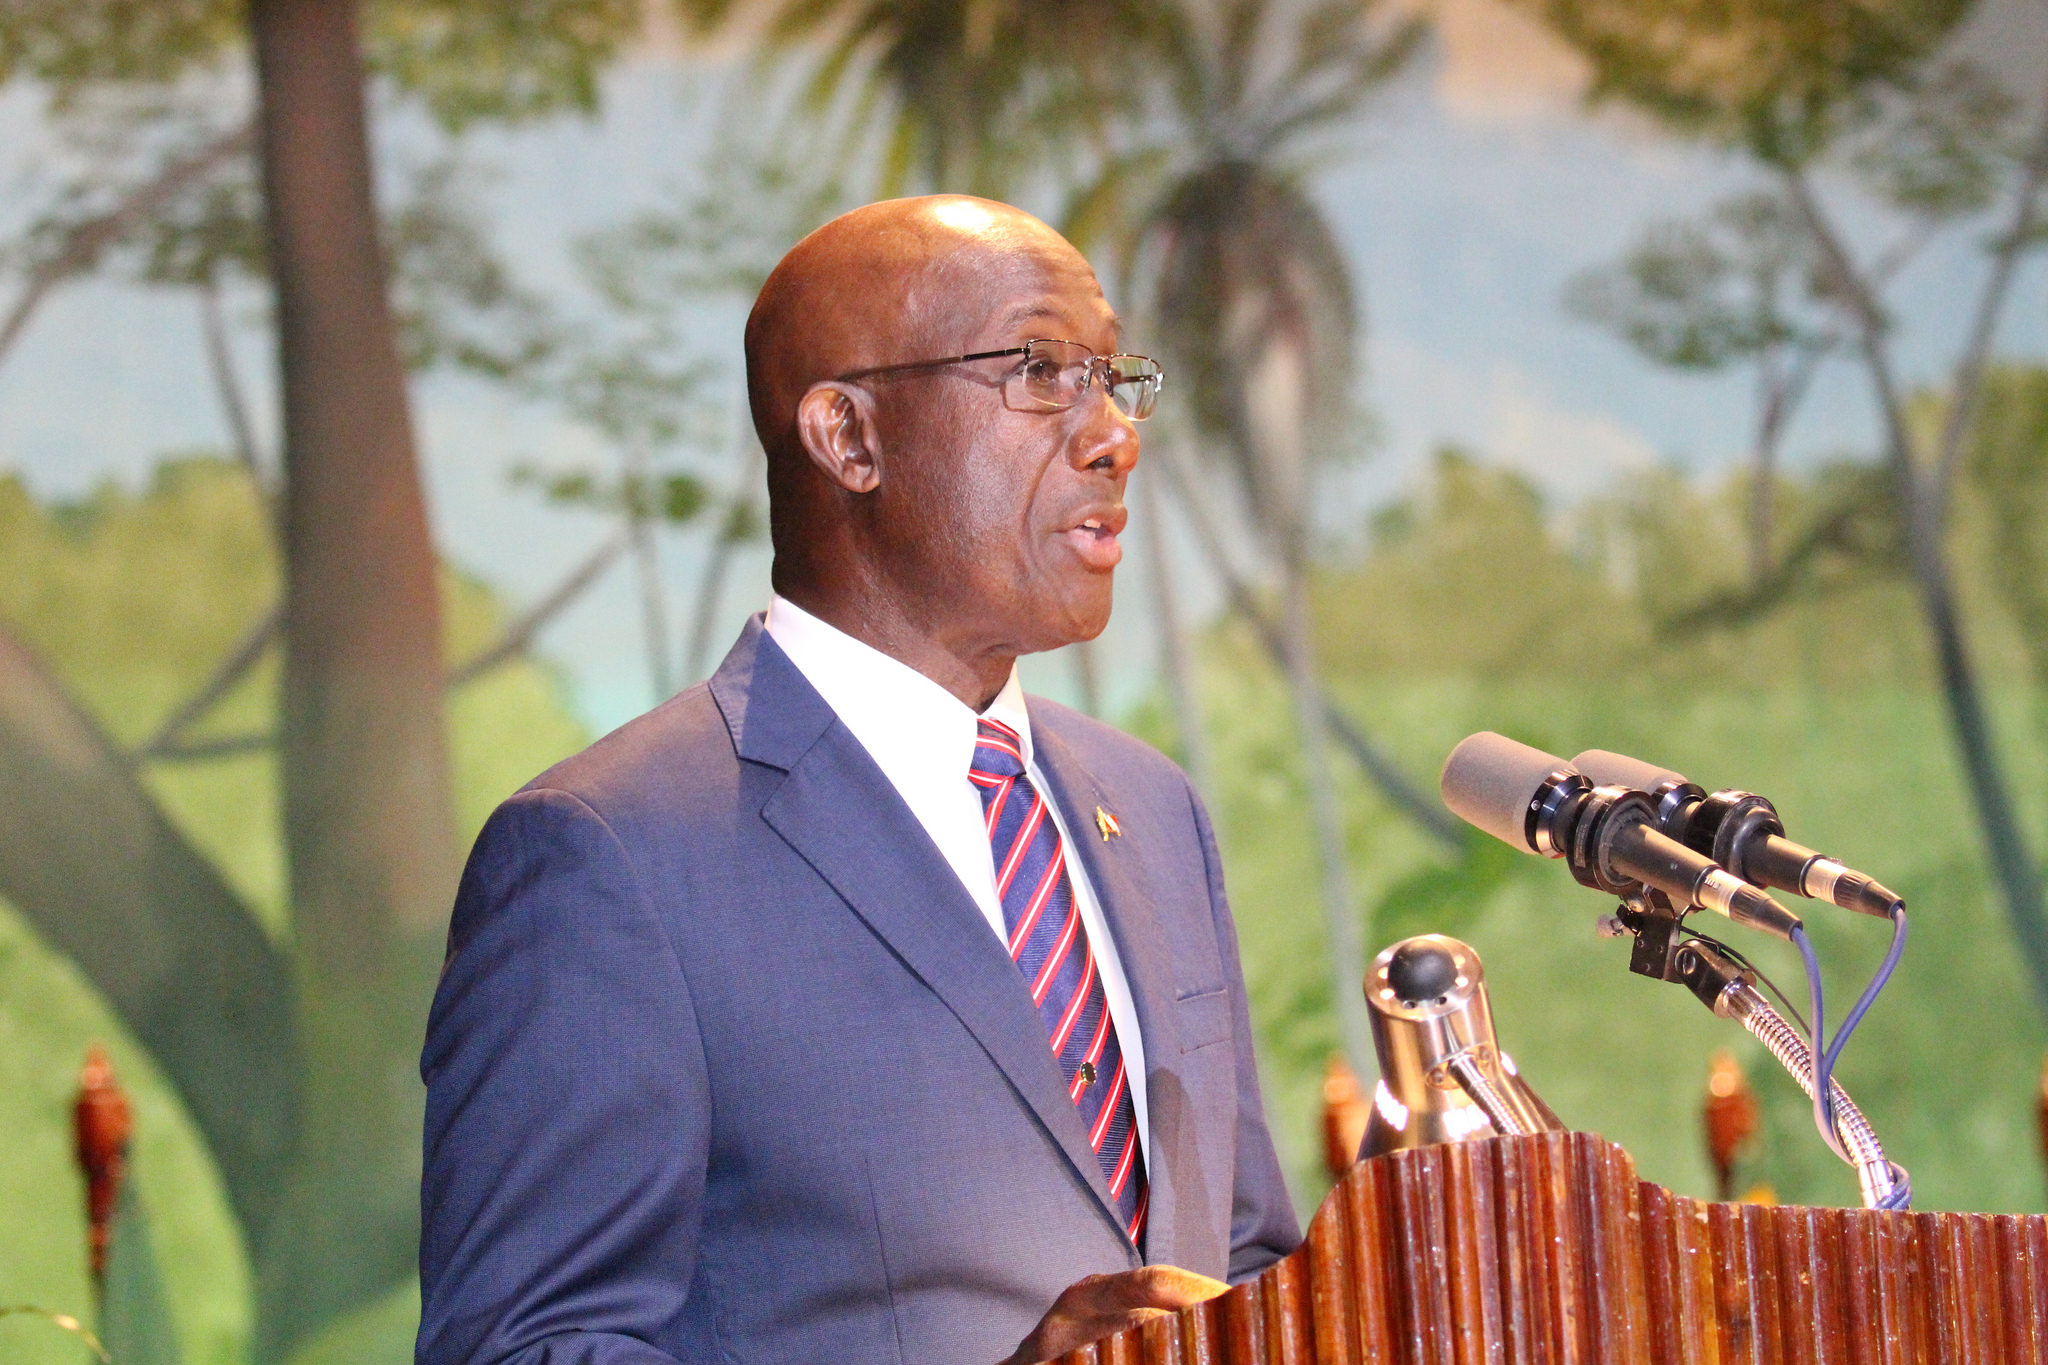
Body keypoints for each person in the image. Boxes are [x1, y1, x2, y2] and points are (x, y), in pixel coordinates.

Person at [417, 195, 1300, 1365]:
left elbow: (1244, 1264)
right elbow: (519, 1349)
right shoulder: (607, 853)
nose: (1111, 436)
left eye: (1111, 376)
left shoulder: (1149, 808)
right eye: (1040, 371)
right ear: (848, 438)